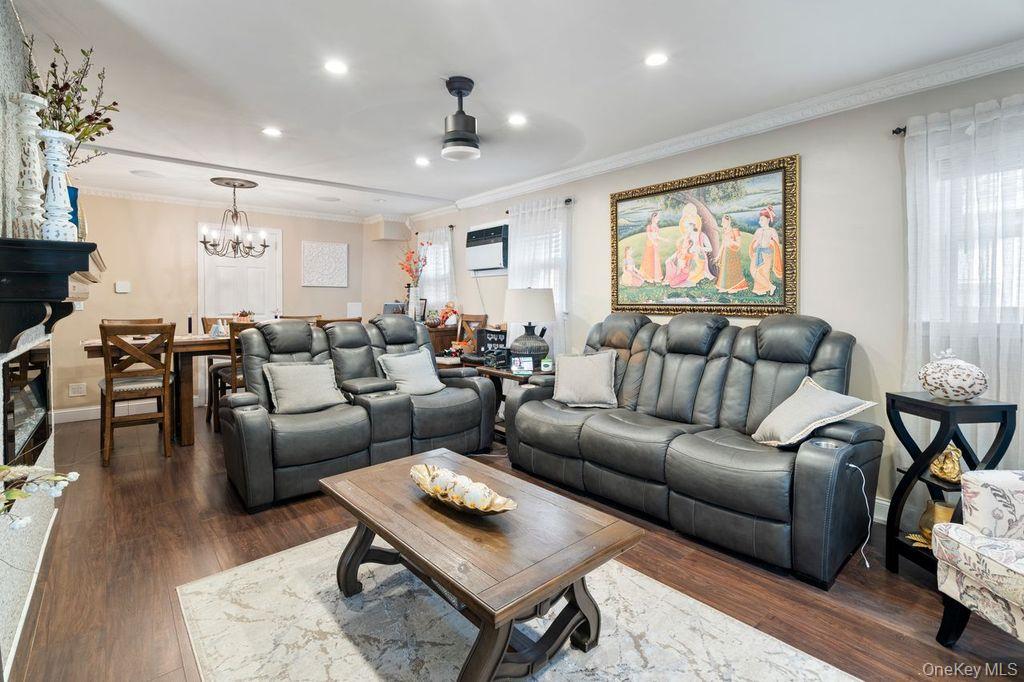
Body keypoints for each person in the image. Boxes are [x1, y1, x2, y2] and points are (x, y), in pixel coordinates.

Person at [749, 206, 783, 296]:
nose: (760, 222)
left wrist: (771, 242)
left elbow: (776, 243)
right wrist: (756, 243)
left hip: (767, 253)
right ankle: (771, 286)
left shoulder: (772, 231)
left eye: (762, 220)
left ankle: (762, 290)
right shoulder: (758, 231)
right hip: (758, 253)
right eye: (760, 220)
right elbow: (754, 244)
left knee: (764, 271)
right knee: (753, 270)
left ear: (768, 220)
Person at [678, 203, 713, 286]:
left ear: (694, 226)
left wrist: (700, 248)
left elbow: (710, 249)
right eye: (686, 227)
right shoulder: (687, 237)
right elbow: (683, 249)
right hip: (688, 257)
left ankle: (693, 277)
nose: (686, 229)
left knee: (693, 267)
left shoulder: (702, 236)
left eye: (688, 226)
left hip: (698, 257)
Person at [715, 215, 749, 293]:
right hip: (725, 254)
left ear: (729, 221)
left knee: (732, 270)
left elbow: (738, 244)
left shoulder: (735, 231)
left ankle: (733, 287)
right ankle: (724, 287)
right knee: (724, 270)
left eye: (724, 222)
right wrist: (718, 256)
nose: (723, 224)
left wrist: (730, 241)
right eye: (722, 222)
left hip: (733, 253)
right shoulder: (724, 232)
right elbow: (723, 245)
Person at [638, 211, 665, 283]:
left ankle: (656, 276)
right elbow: (649, 236)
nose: (658, 219)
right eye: (657, 218)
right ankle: (649, 276)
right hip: (650, 244)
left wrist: (664, 239)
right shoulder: (649, 226)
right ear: (653, 218)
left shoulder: (656, 227)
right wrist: (653, 242)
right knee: (649, 259)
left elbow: (657, 236)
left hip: (655, 245)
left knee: (655, 260)